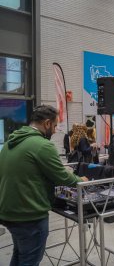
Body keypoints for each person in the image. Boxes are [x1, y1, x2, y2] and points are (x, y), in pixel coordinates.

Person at [0, 105, 87, 266]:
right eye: (54, 126)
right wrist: (82, 181)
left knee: (20, 256)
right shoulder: (42, 145)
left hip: (9, 213)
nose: (55, 131)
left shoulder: (10, 142)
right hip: (30, 216)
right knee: (29, 261)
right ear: (47, 123)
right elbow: (63, 178)